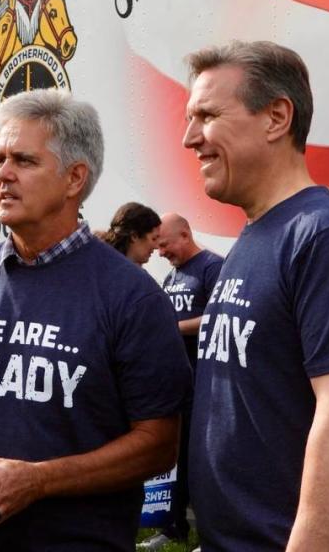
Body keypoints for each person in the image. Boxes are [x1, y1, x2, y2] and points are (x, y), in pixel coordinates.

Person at [0, 89, 192, 552]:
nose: (3, 175)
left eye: (24, 160)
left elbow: (159, 443)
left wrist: (39, 481)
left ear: (74, 178)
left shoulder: (133, 297)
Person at [182, 40, 329, 552]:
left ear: (276, 117)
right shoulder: (256, 237)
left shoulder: (328, 236)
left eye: (207, 116)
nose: (190, 138)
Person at [137, 213, 223, 552]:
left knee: (205, 463)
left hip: (205, 383)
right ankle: (174, 529)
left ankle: (210, 535)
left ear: (185, 235)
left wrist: (173, 329)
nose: (160, 252)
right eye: (156, 246)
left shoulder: (211, 268)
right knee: (179, 460)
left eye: (165, 244)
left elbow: (219, 317)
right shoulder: (173, 275)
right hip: (178, 384)